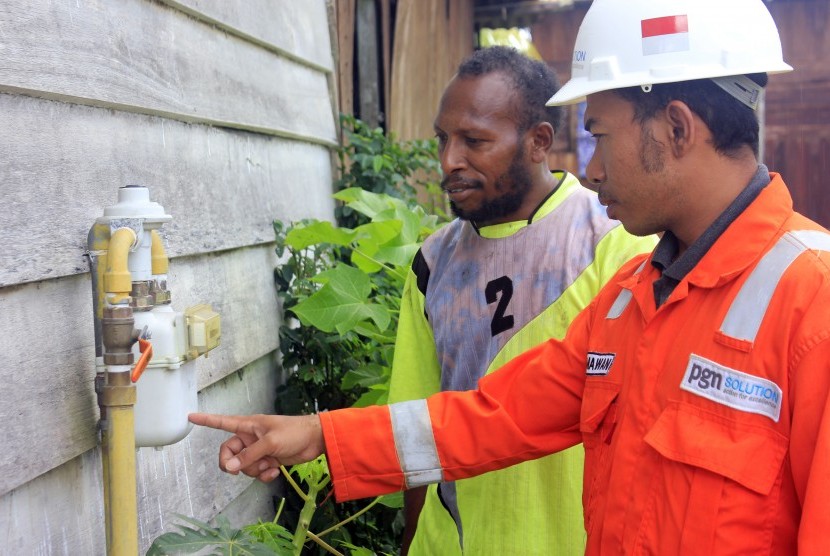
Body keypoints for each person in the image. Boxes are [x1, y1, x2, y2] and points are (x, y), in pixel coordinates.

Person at [190, 0, 830, 553]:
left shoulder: (813, 303)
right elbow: (491, 417)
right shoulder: (629, 302)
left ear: (677, 128)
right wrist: (318, 435)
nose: (594, 169)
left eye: (600, 137)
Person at [386, 46, 655, 556]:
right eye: (442, 139)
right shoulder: (432, 263)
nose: (449, 161)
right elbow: (414, 427)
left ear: (538, 141)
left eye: (474, 141)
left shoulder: (614, 245)